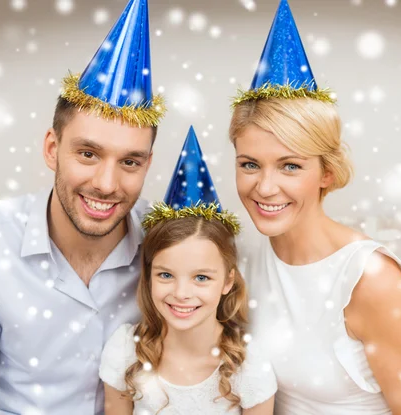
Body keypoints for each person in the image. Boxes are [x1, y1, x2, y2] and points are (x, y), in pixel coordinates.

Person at [0, 1, 165, 413]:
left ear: (147, 164)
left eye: (130, 161)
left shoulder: (169, 244)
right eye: (88, 154)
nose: (107, 185)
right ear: (52, 149)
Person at [229, 1, 401, 414]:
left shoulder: (372, 282)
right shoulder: (245, 259)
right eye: (249, 164)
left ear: (326, 172)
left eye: (290, 166)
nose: (265, 187)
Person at [99, 127, 277, 414]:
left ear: (228, 280)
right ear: (149, 275)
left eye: (202, 277)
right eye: (166, 275)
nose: (181, 293)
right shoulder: (125, 352)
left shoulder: (247, 366)